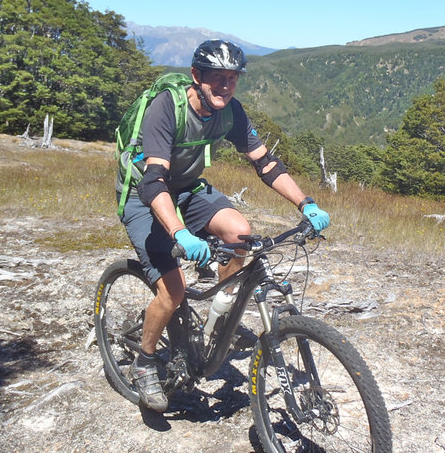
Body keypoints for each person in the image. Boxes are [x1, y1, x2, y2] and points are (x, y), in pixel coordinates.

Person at [116, 39, 330, 412]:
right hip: (143, 195)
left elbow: (267, 164)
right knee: (173, 290)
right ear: (197, 76)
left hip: (187, 189)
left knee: (240, 233)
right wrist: (180, 233)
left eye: (232, 79)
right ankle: (145, 361)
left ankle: (219, 310)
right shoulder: (166, 108)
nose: (225, 86)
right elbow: (152, 182)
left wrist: (306, 203)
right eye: (217, 78)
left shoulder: (231, 112)